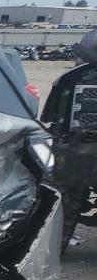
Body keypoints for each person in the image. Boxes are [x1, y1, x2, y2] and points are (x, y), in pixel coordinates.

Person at [41, 29, 97, 245]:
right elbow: (55, 125)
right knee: (60, 194)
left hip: (80, 145)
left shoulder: (74, 78)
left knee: (61, 193)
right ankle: (53, 242)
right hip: (80, 144)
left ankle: (54, 241)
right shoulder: (73, 79)